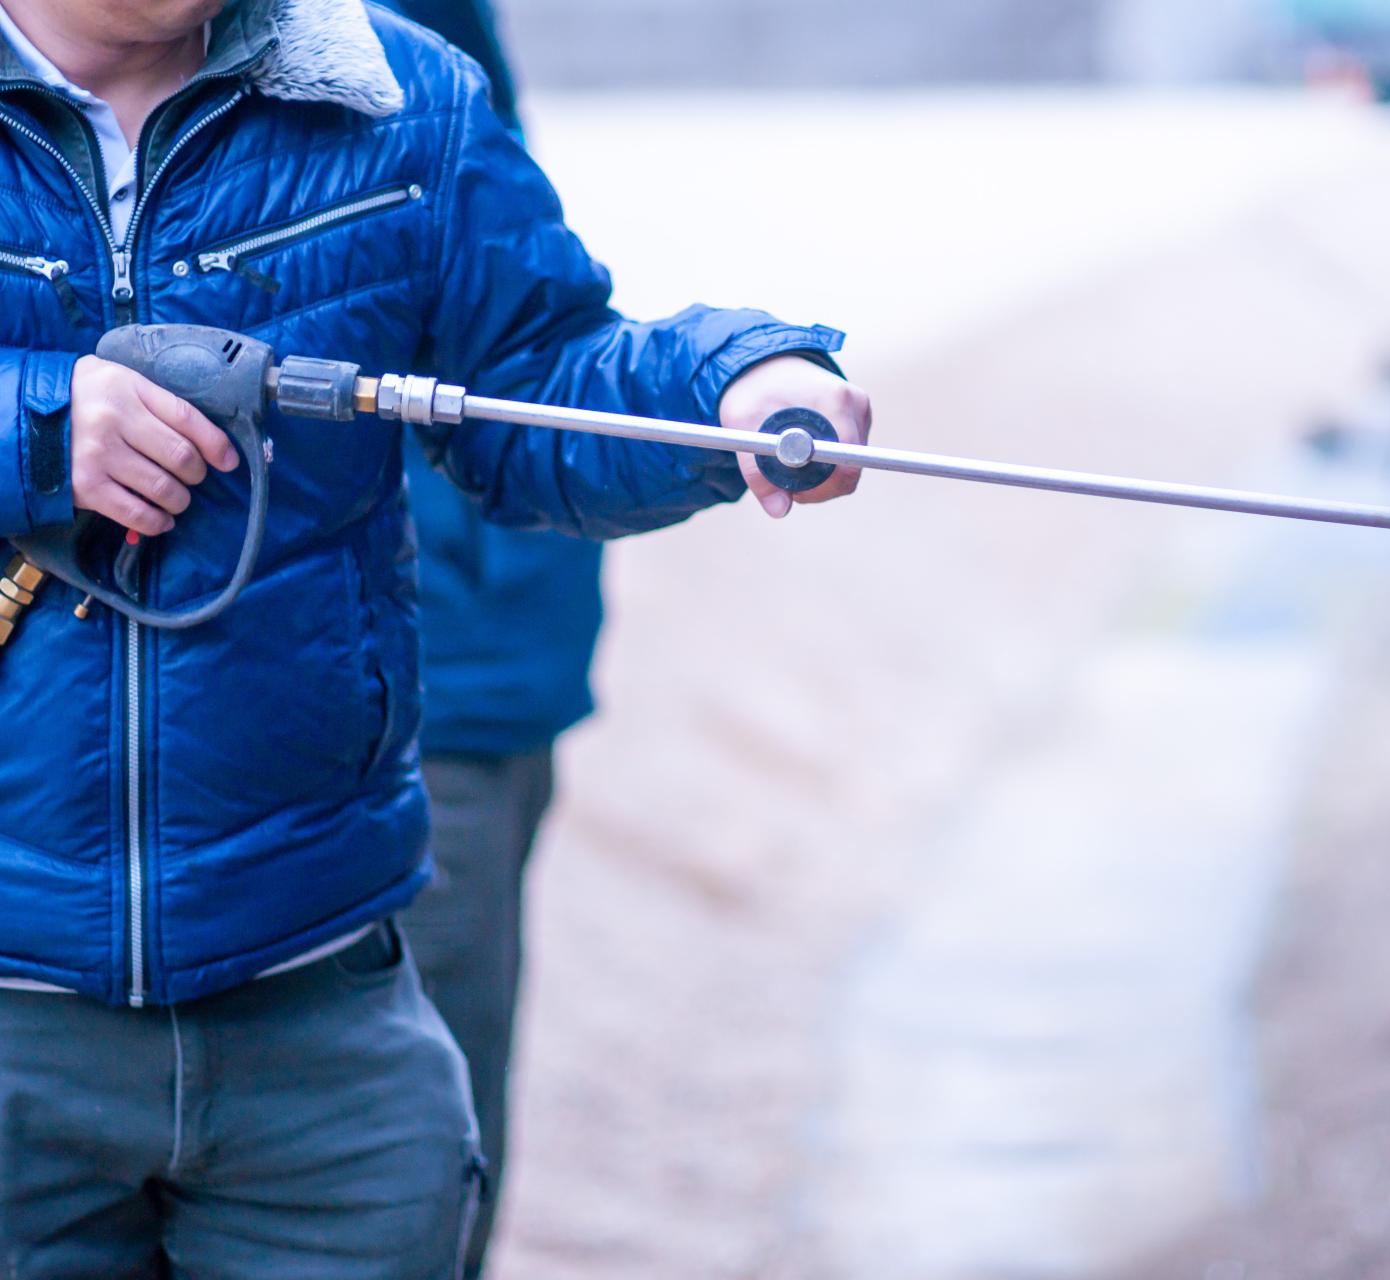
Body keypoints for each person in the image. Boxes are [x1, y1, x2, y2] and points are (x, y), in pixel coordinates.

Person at [0, 0, 870, 1272]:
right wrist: (32, 427)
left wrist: (731, 387)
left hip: (320, 1017)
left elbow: (541, 369)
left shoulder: (400, 95)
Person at [378, 0, 609, 1272]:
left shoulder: (404, 79)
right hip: (463, 655)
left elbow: (543, 352)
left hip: (446, 687)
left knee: (425, 1144)